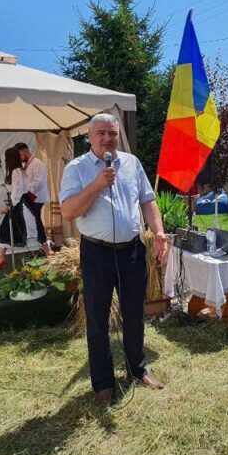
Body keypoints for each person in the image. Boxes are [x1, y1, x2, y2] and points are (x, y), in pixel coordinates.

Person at [60, 113, 169, 406]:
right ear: (89, 136)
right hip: (96, 253)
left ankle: (138, 369)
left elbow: (147, 200)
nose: (108, 139)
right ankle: (103, 384)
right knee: (98, 320)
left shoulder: (132, 164)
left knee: (134, 314)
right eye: (101, 133)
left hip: (132, 251)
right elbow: (68, 211)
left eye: (113, 134)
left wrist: (158, 232)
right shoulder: (76, 168)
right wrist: (97, 184)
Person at [0, 147, 44, 271]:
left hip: (21, 205)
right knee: (7, 229)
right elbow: (18, 188)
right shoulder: (19, 171)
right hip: (22, 203)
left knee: (27, 230)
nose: (5, 160)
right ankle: (0, 258)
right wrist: (8, 187)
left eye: (6, 158)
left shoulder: (16, 171)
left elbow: (18, 192)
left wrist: (9, 205)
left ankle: (1, 258)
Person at [17, 142, 53, 251]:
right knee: (34, 221)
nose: (19, 158)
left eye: (19, 155)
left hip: (36, 198)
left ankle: (46, 247)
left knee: (36, 221)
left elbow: (39, 182)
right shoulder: (27, 165)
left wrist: (25, 189)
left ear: (25, 151)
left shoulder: (37, 164)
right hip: (29, 197)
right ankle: (43, 246)